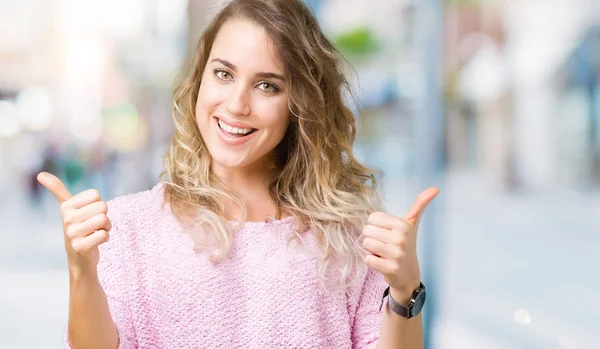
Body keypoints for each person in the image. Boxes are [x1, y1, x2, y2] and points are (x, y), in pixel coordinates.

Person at [38, 0, 438, 348]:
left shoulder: (348, 237)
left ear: (300, 105)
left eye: (267, 86)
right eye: (224, 74)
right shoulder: (130, 227)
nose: (236, 104)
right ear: (198, 80)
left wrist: (405, 290)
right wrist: (82, 272)